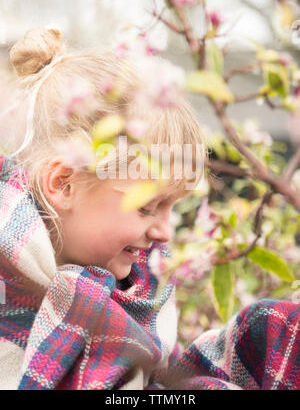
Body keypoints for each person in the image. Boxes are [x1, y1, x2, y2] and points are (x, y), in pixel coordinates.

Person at [0, 27, 299, 390]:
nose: (165, 232)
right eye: (147, 207)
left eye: (172, 207)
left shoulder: (142, 291)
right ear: (64, 184)